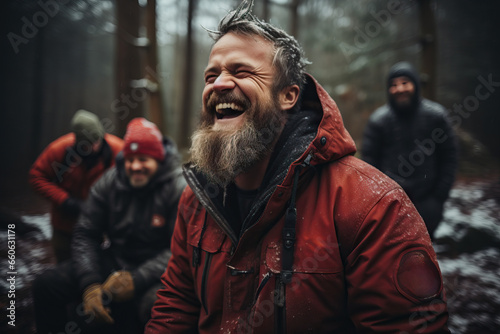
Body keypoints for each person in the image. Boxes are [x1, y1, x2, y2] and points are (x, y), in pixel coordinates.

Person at [145, 1, 450, 333]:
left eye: (241, 71)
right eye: (211, 74)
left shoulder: (371, 205)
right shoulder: (196, 199)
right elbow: (176, 305)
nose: (218, 84)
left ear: (288, 96)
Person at [32, 118, 186, 334]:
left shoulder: (179, 188)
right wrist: (90, 283)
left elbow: (179, 250)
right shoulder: (109, 182)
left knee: (156, 309)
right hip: (116, 258)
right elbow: (86, 233)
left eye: (143, 160)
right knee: (46, 285)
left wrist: (137, 279)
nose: (135, 166)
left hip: (159, 272)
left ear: (158, 160)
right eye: (131, 159)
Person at [362, 61, 458, 239]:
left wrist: (437, 199)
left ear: (415, 84)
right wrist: (379, 201)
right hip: (390, 206)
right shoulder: (378, 121)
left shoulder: (436, 116)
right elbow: (369, 165)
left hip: (428, 202)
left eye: (405, 83)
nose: (399, 89)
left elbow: (449, 159)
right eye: (394, 85)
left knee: (423, 257)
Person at [29, 109, 124, 262]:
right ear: (77, 141)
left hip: (100, 224)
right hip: (65, 222)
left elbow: (131, 182)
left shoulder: (118, 151)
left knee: (95, 263)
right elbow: (36, 177)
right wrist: (65, 200)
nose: (93, 147)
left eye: (96, 141)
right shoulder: (59, 150)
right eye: (87, 144)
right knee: (63, 264)